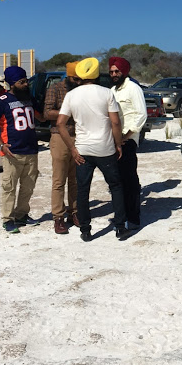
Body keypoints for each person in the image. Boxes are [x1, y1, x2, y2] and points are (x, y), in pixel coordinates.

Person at [56, 57, 129, 242]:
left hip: (83, 151)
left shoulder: (72, 95)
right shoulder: (107, 93)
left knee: (82, 190)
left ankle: (86, 230)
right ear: (97, 74)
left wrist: (72, 148)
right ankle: (120, 227)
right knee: (116, 187)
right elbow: (115, 121)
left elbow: (60, 124)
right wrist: (118, 143)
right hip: (105, 149)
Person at [0, 66, 42, 234]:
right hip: (12, 152)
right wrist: (1, 144)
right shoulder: (1, 101)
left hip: (31, 150)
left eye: (26, 81)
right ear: (12, 83)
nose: (26, 84)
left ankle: (22, 214)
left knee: (28, 187)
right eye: (22, 82)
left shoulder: (30, 98)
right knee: (9, 187)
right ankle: (8, 219)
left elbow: (41, 116)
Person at [109, 56, 147, 232]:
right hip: (114, 141)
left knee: (130, 180)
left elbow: (141, 115)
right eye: (111, 71)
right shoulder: (112, 91)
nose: (114, 74)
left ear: (125, 71)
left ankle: (133, 218)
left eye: (117, 71)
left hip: (128, 141)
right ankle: (121, 216)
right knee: (117, 181)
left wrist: (126, 136)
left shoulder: (133, 88)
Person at [44, 61, 81, 235]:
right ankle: (58, 217)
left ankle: (74, 212)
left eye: (81, 79)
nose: (78, 82)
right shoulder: (55, 89)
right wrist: (68, 112)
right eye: (75, 78)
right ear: (68, 77)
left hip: (78, 136)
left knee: (75, 179)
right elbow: (47, 113)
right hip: (59, 136)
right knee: (59, 180)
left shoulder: (81, 90)